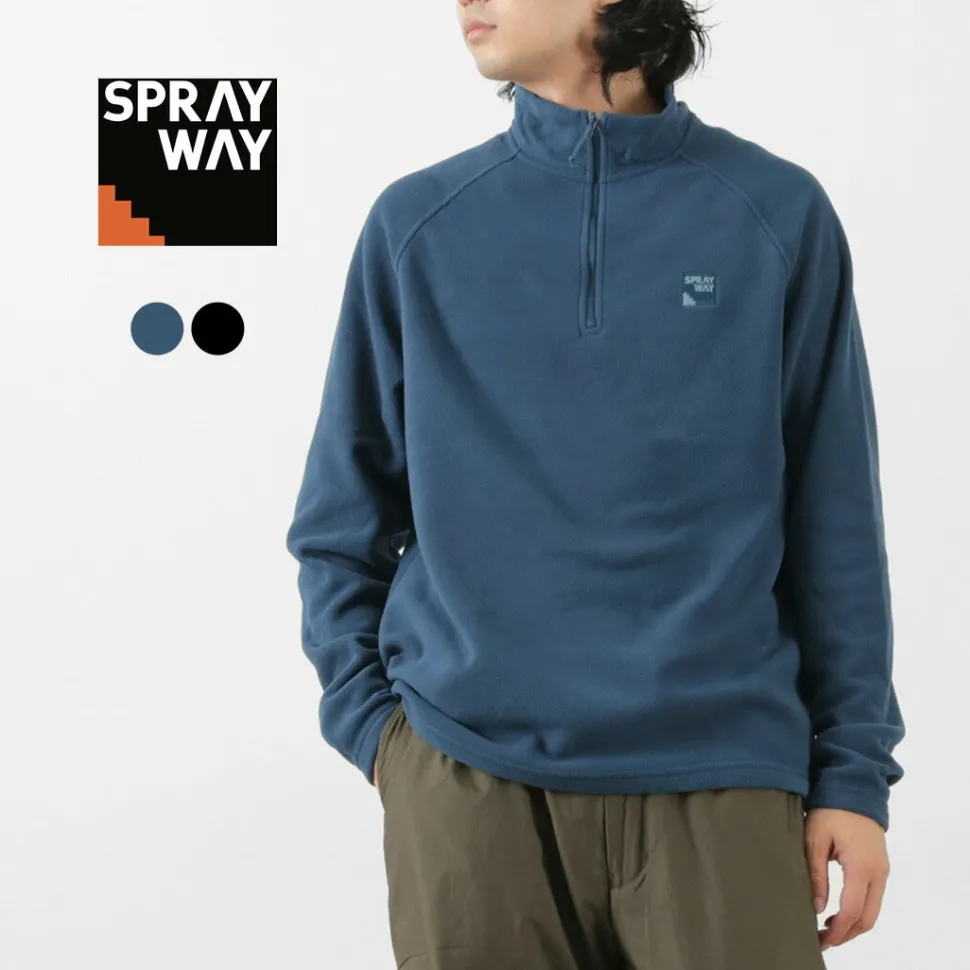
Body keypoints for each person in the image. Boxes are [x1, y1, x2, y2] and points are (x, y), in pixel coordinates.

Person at [284, 1, 906, 966]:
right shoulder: (419, 224)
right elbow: (340, 520)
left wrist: (854, 778)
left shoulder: (775, 213)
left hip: (724, 777)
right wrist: (387, 742)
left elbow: (836, 522)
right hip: (470, 781)